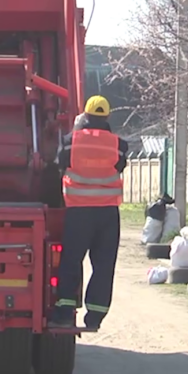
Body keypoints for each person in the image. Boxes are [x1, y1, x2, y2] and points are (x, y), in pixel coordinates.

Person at [50, 95, 129, 329]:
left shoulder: (69, 142)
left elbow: (57, 164)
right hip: (107, 214)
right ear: (107, 117)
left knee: (71, 261)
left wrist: (76, 130)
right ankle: (95, 316)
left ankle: (65, 310)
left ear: (84, 115)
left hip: (78, 212)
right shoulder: (119, 145)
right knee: (104, 265)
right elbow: (119, 165)